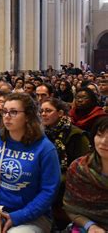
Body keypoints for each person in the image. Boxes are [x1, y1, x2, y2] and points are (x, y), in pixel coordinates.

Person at [0, 93, 60, 233]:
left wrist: (17, 217)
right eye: (5, 111)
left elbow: (48, 191)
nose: (7, 116)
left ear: (28, 116)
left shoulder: (45, 148)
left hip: (32, 215)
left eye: (14, 112)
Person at [40, 98, 91, 229]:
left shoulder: (76, 135)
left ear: (61, 113)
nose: (44, 114)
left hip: (66, 190)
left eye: (48, 111)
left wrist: (53, 179)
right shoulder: (40, 134)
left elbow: (82, 169)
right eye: (42, 111)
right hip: (45, 185)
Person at [63, 117, 108, 232]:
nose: (103, 142)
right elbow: (71, 208)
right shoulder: (79, 168)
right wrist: (90, 226)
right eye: (99, 135)